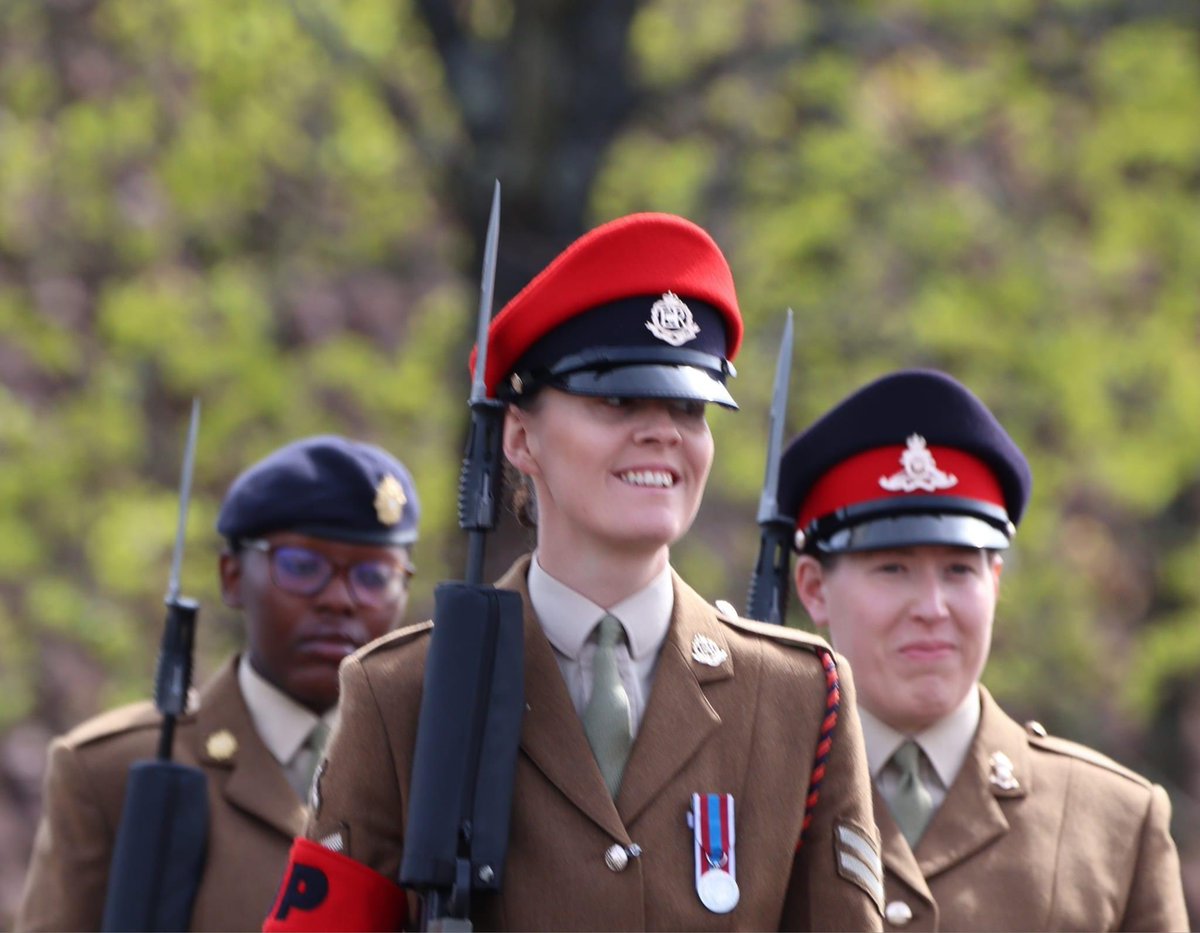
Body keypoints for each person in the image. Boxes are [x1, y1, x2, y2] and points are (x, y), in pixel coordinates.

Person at [265, 213, 885, 931]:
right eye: (617, 401)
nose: (662, 431)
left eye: (690, 407)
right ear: (521, 436)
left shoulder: (799, 698)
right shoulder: (406, 690)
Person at [781, 368, 1189, 932]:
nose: (932, 606)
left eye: (958, 570)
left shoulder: (1114, 822)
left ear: (994, 582)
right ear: (813, 587)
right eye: (893, 569)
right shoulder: (762, 794)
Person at [17, 435, 420, 932]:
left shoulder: (429, 777)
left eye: (374, 576)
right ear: (232, 576)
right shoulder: (112, 771)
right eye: (301, 566)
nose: (339, 599)